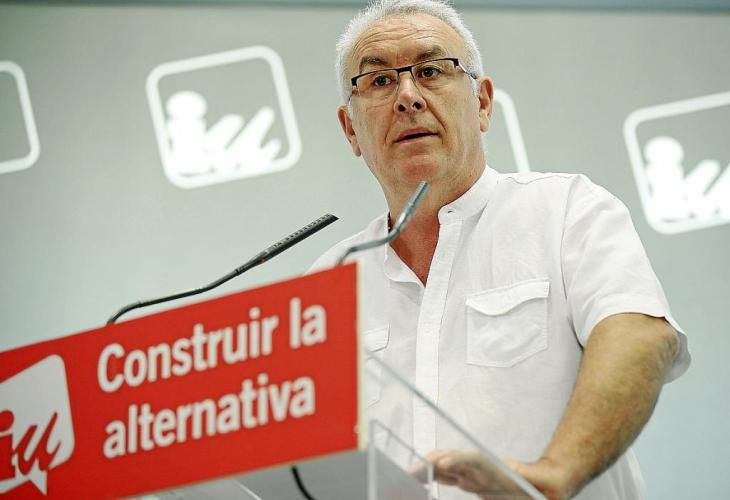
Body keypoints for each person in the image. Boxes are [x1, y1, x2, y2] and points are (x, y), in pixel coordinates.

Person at [309, 1, 691, 498]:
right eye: (379, 81)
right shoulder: (328, 280)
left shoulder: (566, 210)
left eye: (431, 71)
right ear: (350, 130)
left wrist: (554, 475)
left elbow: (641, 334)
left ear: (483, 103)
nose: (407, 97)